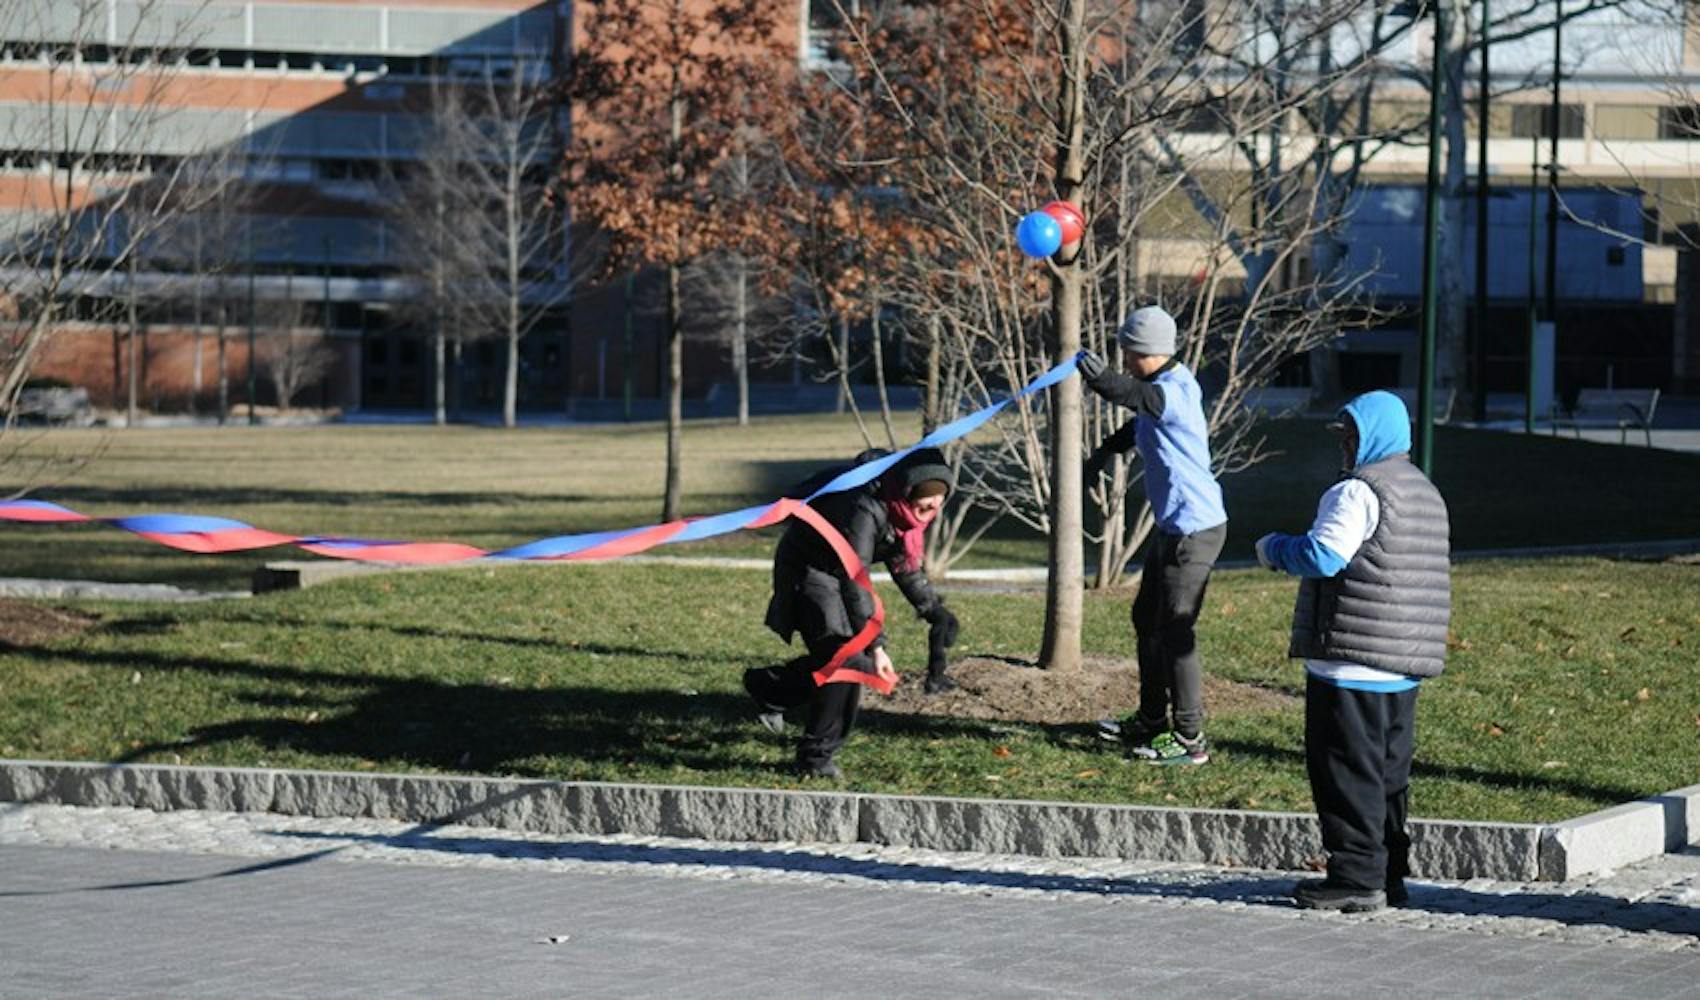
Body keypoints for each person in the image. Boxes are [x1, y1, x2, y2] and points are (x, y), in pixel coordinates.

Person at [1254, 389, 1450, 912]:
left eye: (1350, 436)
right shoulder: (1424, 490)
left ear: (1371, 437)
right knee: (1388, 777)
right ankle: (1389, 874)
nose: (1344, 446)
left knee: (1345, 774)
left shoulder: (1357, 492)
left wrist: (1274, 549)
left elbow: (1324, 555)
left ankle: (1356, 877)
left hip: (1350, 660)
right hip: (1401, 663)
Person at [744, 447, 960, 779]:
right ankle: (815, 759)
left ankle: (770, 688)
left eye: (940, 501)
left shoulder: (903, 515)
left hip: (840, 575)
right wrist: (876, 645)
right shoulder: (863, 508)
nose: (933, 509)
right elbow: (855, 578)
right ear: (906, 491)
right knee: (848, 659)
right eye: (926, 500)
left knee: (839, 658)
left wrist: (933, 609)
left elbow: (903, 565)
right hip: (809, 568)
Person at [1077, 305, 1228, 765]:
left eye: (1127, 352)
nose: (1123, 359)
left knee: (1176, 629)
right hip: (1173, 527)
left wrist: (1101, 379)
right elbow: (1140, 420)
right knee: (1147, 619)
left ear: (1147, 351)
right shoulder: (1161, 389)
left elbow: (1135, 397)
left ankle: (1189, 739)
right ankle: (1151, 719)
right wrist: (1105, 451)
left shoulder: (1174, 390)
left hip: (1196, 530)